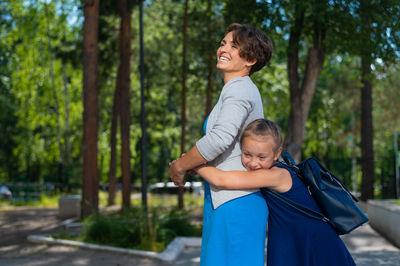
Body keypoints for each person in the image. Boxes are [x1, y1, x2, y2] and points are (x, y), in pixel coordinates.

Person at [169, 23, 273, 266]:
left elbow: (219, 139)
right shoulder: (237, 89)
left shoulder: (238, 90)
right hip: (227, 201)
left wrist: (180, 165)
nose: (223, 49)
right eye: (223, 43)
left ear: (251, 59)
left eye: (234, 46)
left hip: (235, 204)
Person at [195, 119, 356, 266]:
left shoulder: (275, 175)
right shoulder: (280, 167)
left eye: (261, 157)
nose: (253, 162)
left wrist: (193, 165)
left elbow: (221, 180)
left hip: (313, 240)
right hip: (297, 237)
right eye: (247, 154)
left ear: (277, 154)